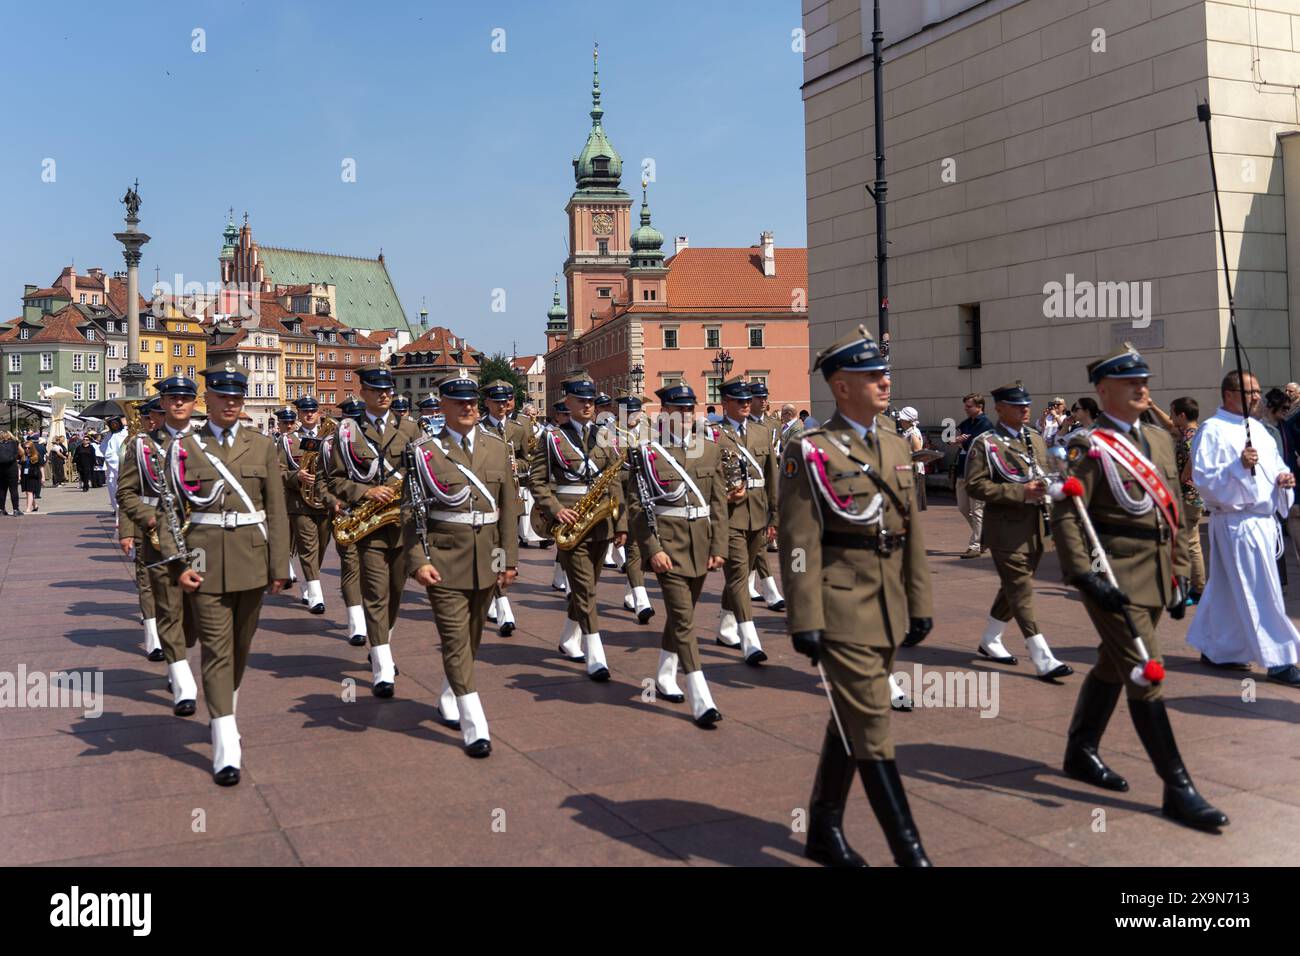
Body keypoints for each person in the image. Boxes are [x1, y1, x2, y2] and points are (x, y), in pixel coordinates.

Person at [1052, 344, 1227, 831]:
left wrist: (1178, 574)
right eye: (1131, 384)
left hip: (1154, 572)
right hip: (1113, 573)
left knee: (1113, 664)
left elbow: (1168, 513)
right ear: (1103, 391)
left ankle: (1081, 749)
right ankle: (1179, 788)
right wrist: (1082, 575)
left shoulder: (1157, 438)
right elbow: (1067, 511)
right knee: (1147, 672)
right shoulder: (1090, 446)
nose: (1142, 389)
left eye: (1144, 381)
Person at [779, 324, 934, 868]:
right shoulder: (811, 451)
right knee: (871, 724)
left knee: (850, 717)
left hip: (889, 601)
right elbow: (799, 542)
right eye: (872, 375)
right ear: (841, 386)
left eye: (883, 372)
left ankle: (822, 829)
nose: (884, 381)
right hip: (840, 605)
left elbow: (911, 531)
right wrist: (804, 617)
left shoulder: (894, 442)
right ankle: (911, 854)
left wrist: (920, 602)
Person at [159, 363, 291, 785]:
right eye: (222, 397)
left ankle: (224, 707)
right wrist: (178, 564)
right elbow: (168, 511)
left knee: (240, 647)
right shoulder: (184, 447)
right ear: (207, 400)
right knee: (216, 650)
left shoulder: (261, 446)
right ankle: (224, 737)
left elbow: (277, 510)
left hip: (252, 559)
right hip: (203, 560)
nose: (231, 404)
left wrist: (279, 565)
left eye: (237, 398)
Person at [406, 373, 519, 756]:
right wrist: (417, 560)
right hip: (444, 558)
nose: (470, 407)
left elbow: (509, 511)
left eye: (473, 401)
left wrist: (507, 560)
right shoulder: (423, 450)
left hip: (486, 557)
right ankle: (476, 725)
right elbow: (410, 513)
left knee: (470, 639)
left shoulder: (497, 447)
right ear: (443, 406)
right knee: (455, 640)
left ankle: (448, 694)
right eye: (460, 402)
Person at [1187, 371, 1300, 687]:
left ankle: (1219, 648)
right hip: (1237, 521)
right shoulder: (1212, 431)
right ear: (1229, 394)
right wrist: (1239, 466)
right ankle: (1278, 659)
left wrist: (1283, 480)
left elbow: (1277, 465)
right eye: (1249, 392)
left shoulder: (1260, 431)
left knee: (1226, 589)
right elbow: (1205, 482)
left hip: (1263, 520)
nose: (1256, 397)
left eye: (1257, 391)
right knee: (1260, 590)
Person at [626, 382, 728, 726]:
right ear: (665, 412)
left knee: (681, 617)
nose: (686, 415)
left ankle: (665, 676)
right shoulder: (646, 453)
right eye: (679, 409)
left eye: (689, 409)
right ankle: (702, 699)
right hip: (667, 547)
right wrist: (651, 549)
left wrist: (719, 547)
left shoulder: (709, 449)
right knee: (685, 620)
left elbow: (718, 504)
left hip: (700, 545)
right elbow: (637, 506)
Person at [963, 382, 1073, 681]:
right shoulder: (986, 443)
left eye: (1026, 404)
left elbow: (1048, 471)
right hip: (1005, 529)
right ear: (999, 408)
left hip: (1036, 526)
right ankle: (1042, 657)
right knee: (1021, 590)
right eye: (1016, 405)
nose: (1025, 409)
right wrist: (1019, 492)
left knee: (1014, 586)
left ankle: (990, 639)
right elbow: (974, 485)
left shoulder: (1036, 439)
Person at [326, 367, 424, 695]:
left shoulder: (410, 428)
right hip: (368, 528)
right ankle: (383, 665)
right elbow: (335, 480)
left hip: (402, 525)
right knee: (375, 594)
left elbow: (426, 471)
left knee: (396, 593)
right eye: (375, 389)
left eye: (387, 389)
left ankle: (380, 644)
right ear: (363, 392)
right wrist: (365, 492)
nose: (383, 394)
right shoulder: (347, 431)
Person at [529, 371, 626, 679]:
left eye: (590, 401)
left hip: (601, 522)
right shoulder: (551, 437)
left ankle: (569, 640)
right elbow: (538, 481)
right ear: (567, 402)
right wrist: (555, 509)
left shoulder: (605, 436)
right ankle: (595, 654)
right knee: (584, 588)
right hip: (570, 523)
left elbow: (615, 481)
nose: (587, 405)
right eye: (581, 400)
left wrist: (620, 522)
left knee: (589, 586)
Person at [118, 381, 202, 711]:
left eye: (185, 398)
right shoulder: (141, 445)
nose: (178, 403)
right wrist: (145, 519)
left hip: (197, 539)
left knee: (195, 612)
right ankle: (181, 677)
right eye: (172, 399)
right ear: (163, 404)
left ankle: (178, 651)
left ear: (194, 403)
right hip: (156, 535)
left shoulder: (206, 442)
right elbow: (126, 493)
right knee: (168, 606)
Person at [713, 376, 778, 666]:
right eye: (739, 401)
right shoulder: (713, 435)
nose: (745, 405)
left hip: (758, 513)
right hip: (729, 515)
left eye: (747, 400)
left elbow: (772, 479)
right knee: (739, 574)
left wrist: (774, 516)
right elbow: (703, 479)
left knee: (743, 572)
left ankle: (726, 629)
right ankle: (749, 638)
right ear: (725, 403)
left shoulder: (762, 432)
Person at [315, 398, 369, 645]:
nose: (354, 424)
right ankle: (356, 623)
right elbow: (322, 481)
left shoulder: (373, 441)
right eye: (350, 419)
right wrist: (331, 501)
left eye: (358, 418)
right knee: (350, 567)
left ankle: (376, 621)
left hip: (376, 514)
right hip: (345, 513)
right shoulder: (328, 444)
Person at [479, 379, 528, 636]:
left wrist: (515, 465)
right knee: (495, 551)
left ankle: (494, 596)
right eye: (497, 402)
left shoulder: (520, 428)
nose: (503, 406)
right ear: (487, 403)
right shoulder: (479, 429)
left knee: (505, 547)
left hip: (512, 498)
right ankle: (503, 604)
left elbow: (528, 460)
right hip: (488, 498)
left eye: (506, 401)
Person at [278, 397, 334, 616]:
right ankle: (316, 596)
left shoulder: (331, 438)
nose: (309, 414)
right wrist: (296, 476)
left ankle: (308, 584)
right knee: (307, 548)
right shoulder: (287, 440)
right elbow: (278, 471)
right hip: (300, 503)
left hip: (324, 502)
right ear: (299, 414)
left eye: (313, 410)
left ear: (318, 412)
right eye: (304, 411)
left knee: (320, 547)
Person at [612, 392, 655, 624]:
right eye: (628, 412)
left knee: (641, 548)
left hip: (648, 496)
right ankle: (641, 600)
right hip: (625, 496)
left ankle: (631, 594)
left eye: (635, 411)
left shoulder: (650, 432)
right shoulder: (611, 435)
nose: (632, 416)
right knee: (633, 547)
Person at [746, 381, 786, 603]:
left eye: (765, 397)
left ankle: (749, 585)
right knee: (759, 542)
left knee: (758, 541)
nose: (763, 401)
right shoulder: (743, 425)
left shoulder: (773, 424)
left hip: (767, 484)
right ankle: (770, 591)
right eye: (758, 397)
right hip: (748, 490)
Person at [949, 393, 994, 558]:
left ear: (979, 406)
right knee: (963, 507)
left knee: (977, 510)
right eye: (965, 406)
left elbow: (976, 445)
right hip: (962, 470)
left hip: (977, 472)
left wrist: (963, 441)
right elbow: (955, 439)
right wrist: (960, 440)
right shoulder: (967, 423)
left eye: (969, 406)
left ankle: (975, 546)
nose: (965, 409)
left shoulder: (986, 424)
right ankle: (985, 536)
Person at [897, 406, 926, 511]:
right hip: (910, 470)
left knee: (911, 504)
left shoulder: (912, 433)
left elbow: (918, 453)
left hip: (914, 472)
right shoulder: (908, 431)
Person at [20, 437, 43, 513]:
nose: (27, 449)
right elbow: (20, 466)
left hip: (34, 476)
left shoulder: (36, 456)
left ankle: (28, 508)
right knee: (27, 492)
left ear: (32, 448)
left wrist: (43, 477)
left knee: (30, 492)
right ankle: (35, 506)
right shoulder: (23, 456)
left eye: (28, 448)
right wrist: (19, 475)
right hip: (25, 476)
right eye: (25, 448)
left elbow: (41, 467)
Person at [0, 430, 19, 515]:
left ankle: (1, 509)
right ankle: (15, 509)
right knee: (13, 489)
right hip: (12, 469)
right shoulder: (15, 443)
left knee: (2, 490)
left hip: (1, 469)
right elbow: (20, 452)